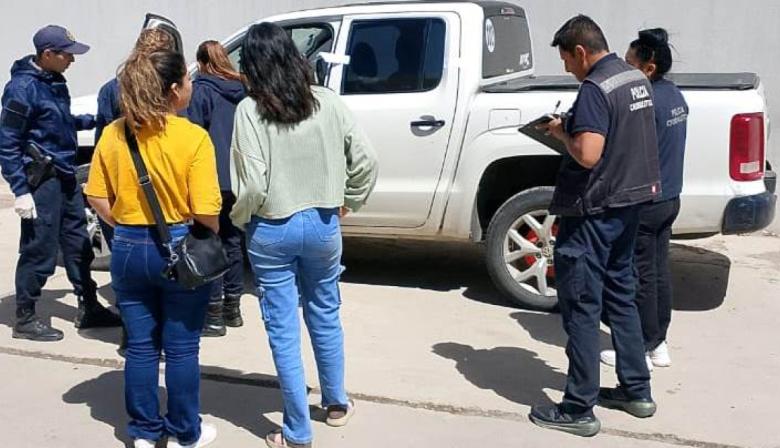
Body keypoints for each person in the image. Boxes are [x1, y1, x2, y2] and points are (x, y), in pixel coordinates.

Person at [230, 23, 378, 448]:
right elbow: (367, 160)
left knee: (282, 329)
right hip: (324, 223)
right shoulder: (328, 103)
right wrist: (350, 199)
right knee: (325, 312)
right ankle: (335, 403)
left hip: (271, 227)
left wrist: (242, 218)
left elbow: (253, 185)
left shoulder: (250, 110)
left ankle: (297, 430)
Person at [529, 15, 661, 437]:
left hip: (593, 211)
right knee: (620, 296)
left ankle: (577, 407)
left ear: (581, 51)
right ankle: (636, 390)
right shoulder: (633, 78)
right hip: (629, 204)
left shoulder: (594, 89)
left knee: (583, 307)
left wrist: (560, 131)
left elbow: (588, 154)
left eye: (567, 60)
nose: (568, 68)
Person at [84, 49, 221, 448]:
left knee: (141, 346)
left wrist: (124, 224)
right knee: (181, 348)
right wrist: (198, 234)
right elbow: (207, 211)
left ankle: (144, 432)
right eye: (188, 80)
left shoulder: (113, 133)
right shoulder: (193, 137)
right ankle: (184, 432)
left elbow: (95, 195)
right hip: (179, 244)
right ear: (175, 89)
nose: (192, 86)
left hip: (127, 244)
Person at [0, 25, 121, 342]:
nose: (72, 60)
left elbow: (59, 123)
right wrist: (20, 190)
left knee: (78, 244)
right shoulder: (22, 89)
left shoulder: (54, 82)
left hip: (65, 174)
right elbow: (8, 143)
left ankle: (89, 306)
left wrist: (93, 120)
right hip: (42, 182)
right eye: (67, 54)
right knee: (39, 248)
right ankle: (25, 317)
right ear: (48, 54)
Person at [601, 28, 688, 370]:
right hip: (669, 197)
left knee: (639, 274)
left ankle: (641, 347)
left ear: (647, 68)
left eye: (627, 63)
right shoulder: (674, 95)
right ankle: (658, 342)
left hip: (648, 201)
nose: (623, 68)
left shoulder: (646, 99)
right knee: (657, 270)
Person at [94, 28, 177, 248]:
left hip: (126, 181)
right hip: (167, 181)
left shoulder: (111, 89)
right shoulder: (172, 87)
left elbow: (102, 145)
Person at [186, 40, 247, 337]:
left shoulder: (201, 91)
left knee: (209, 241)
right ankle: (233, 308)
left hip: (210, 176)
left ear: (200, 63)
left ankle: (213, 313)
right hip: (238, 177)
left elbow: (192, 135)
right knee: (233, 240)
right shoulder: (242, 91)